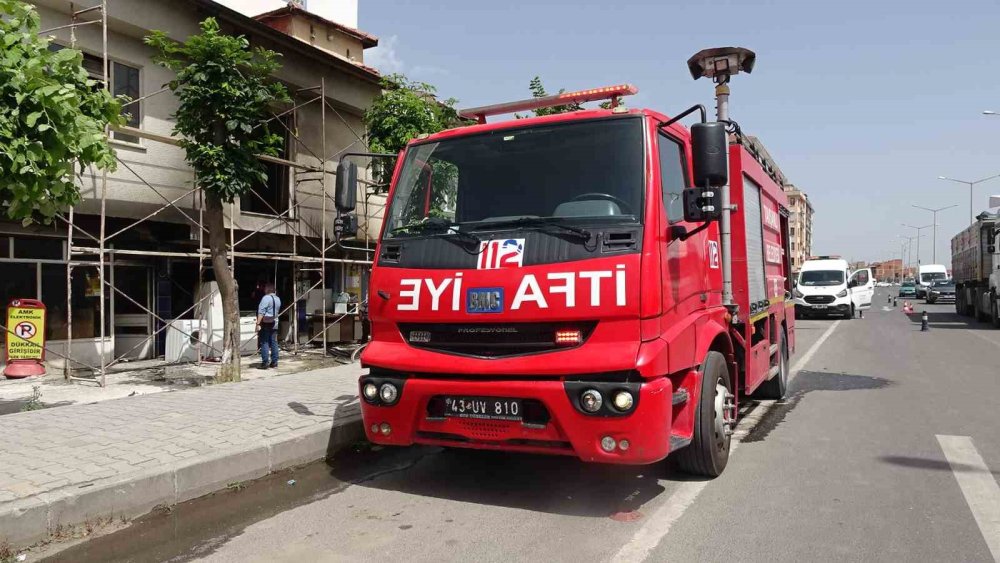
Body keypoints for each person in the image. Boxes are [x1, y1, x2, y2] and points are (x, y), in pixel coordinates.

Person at [256, 282, 282, 369]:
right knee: (274, 342)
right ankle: (274, 362)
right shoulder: (278, 299)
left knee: (264, 342)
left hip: (266, 323)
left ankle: (265, 362)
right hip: (275, 322)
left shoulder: (266, 298)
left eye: (264, 288)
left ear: (267, 289)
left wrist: (258, 323)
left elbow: (261, 312)